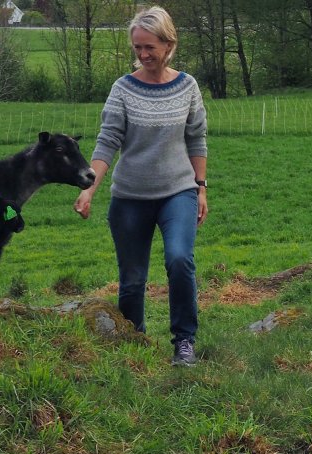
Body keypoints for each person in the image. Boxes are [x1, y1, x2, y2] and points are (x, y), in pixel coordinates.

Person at [75, 5, 207, 367]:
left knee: (180, 260)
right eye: (138, 48)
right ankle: (135, 342)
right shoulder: (123, 89)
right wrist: (89, 189)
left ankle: (184, 341)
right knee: (132, 280)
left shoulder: (188, 86)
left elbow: (197, 139)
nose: (144, 54)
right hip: (130, 198)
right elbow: (106, 142)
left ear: (168, 44)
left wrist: (201, 186)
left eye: (150, 47)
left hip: (177, 192)